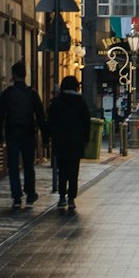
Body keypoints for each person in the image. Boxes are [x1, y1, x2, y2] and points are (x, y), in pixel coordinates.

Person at [0, 61, 47, 211]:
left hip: (12, 133)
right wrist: (45, 135)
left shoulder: (8, 93)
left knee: (13, 166)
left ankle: (17, 198)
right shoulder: (32, 93)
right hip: (28, 133)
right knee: (29, 165)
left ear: (13, 75)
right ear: (25, 75)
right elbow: (40, 115)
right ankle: (30, 193)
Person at [46, 74, 92, 212]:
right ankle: (71, 198)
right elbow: (86, 122)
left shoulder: (57, 102)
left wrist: (47, 136)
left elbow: (50, 121)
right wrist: (86, 138)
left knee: (62, 170)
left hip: (60, 141)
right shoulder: (81, 102)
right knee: (74, 171)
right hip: (76, 141)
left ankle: (61, 197)